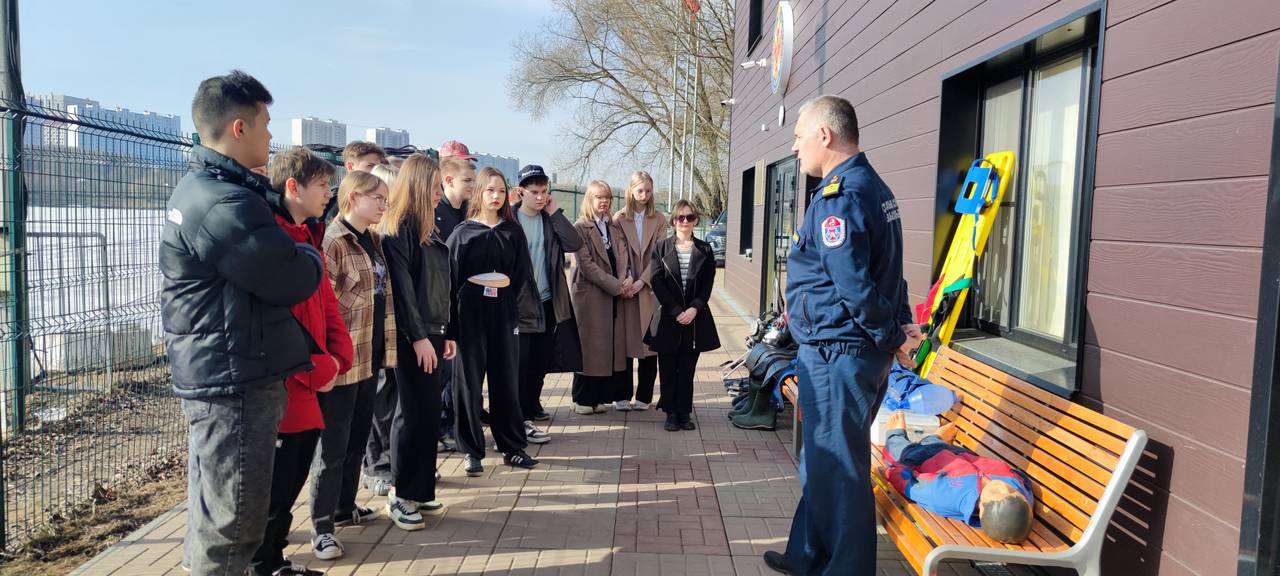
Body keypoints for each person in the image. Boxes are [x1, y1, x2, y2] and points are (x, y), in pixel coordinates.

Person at [161, 71, 324, 576]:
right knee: (233, 526)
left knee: (220, 517)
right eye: (266, 124)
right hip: (233, 379)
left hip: (231, 369)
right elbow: (292, 276)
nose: (271, 137)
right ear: (238, 128)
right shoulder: (221, 203)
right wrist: (307, 252)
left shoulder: (220, 191)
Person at [763, 95, 922, 576]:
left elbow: (855, 283)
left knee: (842, 465)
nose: (793, 148)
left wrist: (893, 335)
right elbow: (890, 272)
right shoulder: (870, 188)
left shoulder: (843, 196)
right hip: (839, 351)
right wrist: (900, 325)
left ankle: (845, 568)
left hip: (839, 353)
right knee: (822, 459)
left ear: (824, 136)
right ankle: (809, 556)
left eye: (797, 137)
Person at [249, 147, 354, 576]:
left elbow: (324, 300)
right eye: (323, 186)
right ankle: (263, 563)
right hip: (287, 385)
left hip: (312, 382)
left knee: (289, 481)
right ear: (293, 187)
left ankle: (274, 560)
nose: (329, 193)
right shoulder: (269, 240)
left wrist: (338, 354)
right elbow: (276, 319)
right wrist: (316, 364)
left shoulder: (306, 236)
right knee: (274, 488)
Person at [308, 171, 397, 561]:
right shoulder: (333, 242)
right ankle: (321, 526)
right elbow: (323, 307)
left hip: (370, 357)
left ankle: (345, 508)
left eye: (385, 199)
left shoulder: (374, 241)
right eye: (377, 198)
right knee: (332, 447)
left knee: (358, 439)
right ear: (353, 198)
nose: (383, 205)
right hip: (342, 362)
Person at [447, 167, 539, 476]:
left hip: (503, 310)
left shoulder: (512, 232)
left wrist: (507, 298)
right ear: (479, 193)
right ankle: (472, 451)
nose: (496, 196)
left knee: (506, 380)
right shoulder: (462, 233)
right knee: (469, 383)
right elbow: (450, 279)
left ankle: (511, 446)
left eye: (501, 191)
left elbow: (522, 272)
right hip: (470, 311)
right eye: (490, 190)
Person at [380, 154, 454, 529]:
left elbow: (442, 284)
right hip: (414, 338)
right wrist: (420, 337)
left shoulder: (430, 228)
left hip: (434, 333)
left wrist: (446, 333)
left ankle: (421, 490)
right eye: (436, 186)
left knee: (428, 414)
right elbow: (403, 291)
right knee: (410, 415)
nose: (440, 193)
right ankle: (400, 493)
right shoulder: (399, 229)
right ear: (420, 186)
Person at [880, 411, 1035, 544]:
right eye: (1013, 492)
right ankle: (933, 439)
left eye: (997, 494)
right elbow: (1022, 484)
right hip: (960, 454)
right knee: (935, 445)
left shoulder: (945, 495)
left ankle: (899, 435)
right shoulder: (1019, 491)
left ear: (981, 511)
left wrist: (892, 471)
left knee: (900, 451)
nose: (1003, 487)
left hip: (923, 460)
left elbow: (910, 485)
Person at [512, 164, 583, 438]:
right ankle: (520, 415)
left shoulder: (549, 220)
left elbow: (575, 243)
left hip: (547, 301)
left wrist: (555, 213)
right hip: (519, 304)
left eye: (544, 192)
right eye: (534, 192)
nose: (540, 197)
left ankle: (532, 404)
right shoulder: (510, 220)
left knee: (541, 359)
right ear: (521, 192)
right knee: (521, 361)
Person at [645, 200, 720, 432]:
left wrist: (694, 308)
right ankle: (670, 412)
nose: (685, 221)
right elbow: (657, 281)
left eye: (689, 217)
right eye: (680, 218)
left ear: (696, 220)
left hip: (695, 319)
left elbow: (708, 283)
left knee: (687, 369)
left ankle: (684, 412)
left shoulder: (705, 250)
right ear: (673, 221)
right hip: (669, 317)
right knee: (667, 368)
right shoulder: (661, 248)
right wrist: (676, 310)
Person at [570, 181, 633, 412]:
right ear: (589, 199)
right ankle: (583, 399)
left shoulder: (613, 227)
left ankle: (598, 398)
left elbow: (623, 257)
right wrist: (618, 286)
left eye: (606, 197)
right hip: (591, 296)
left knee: (606, 348)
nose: (603, 201)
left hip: (612, 295)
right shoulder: (580, 227)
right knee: (590, 347)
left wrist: (627, 277)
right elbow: (587, 265)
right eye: (598, 197)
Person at [430, 156, 477, 452]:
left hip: (465, 302)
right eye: (468, 181)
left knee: (457, 373)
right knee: (443, 373)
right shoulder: (438, 214)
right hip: (443, 304)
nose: (473, 186)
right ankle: (440, 428)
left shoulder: (467, 213)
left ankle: (452, 425)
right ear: (448, 181)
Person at [614, 171, 665, 412]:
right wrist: (626, 279)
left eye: (648, 190)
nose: (644, 195)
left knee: (649, 344)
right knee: (624, 342)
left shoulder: (660, 219)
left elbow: (660, 255)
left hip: (649, 289)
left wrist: (643, 281)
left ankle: (644, 395)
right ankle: (622, 394)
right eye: (639, 190)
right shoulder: (619, 218)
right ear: (631, 191)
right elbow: (616, 251)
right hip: (626, 289)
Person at [320, 141, 386, 223]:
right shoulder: (335, 199)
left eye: (378, 167)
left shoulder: (383, 195)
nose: (376, 171)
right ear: (350, 167)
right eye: (370, 166)